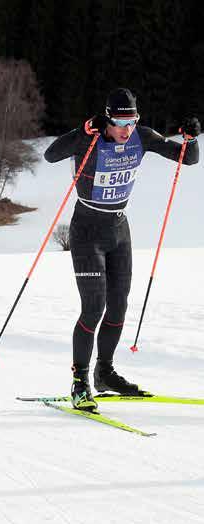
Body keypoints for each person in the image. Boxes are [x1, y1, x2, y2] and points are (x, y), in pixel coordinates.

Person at [43, 88, 200, 410]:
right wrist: (83, 130)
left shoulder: (142, 137)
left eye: (132, 122)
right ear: (107, 119)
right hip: (87, 230)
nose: (126, 130)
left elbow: (188, 158)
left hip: (118, 230)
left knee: (118, 306)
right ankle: (79, 382)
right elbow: (51, 154)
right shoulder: (90, 138)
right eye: (119, 123)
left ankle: (105, 372)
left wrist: (191, 137)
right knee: (93, 307)